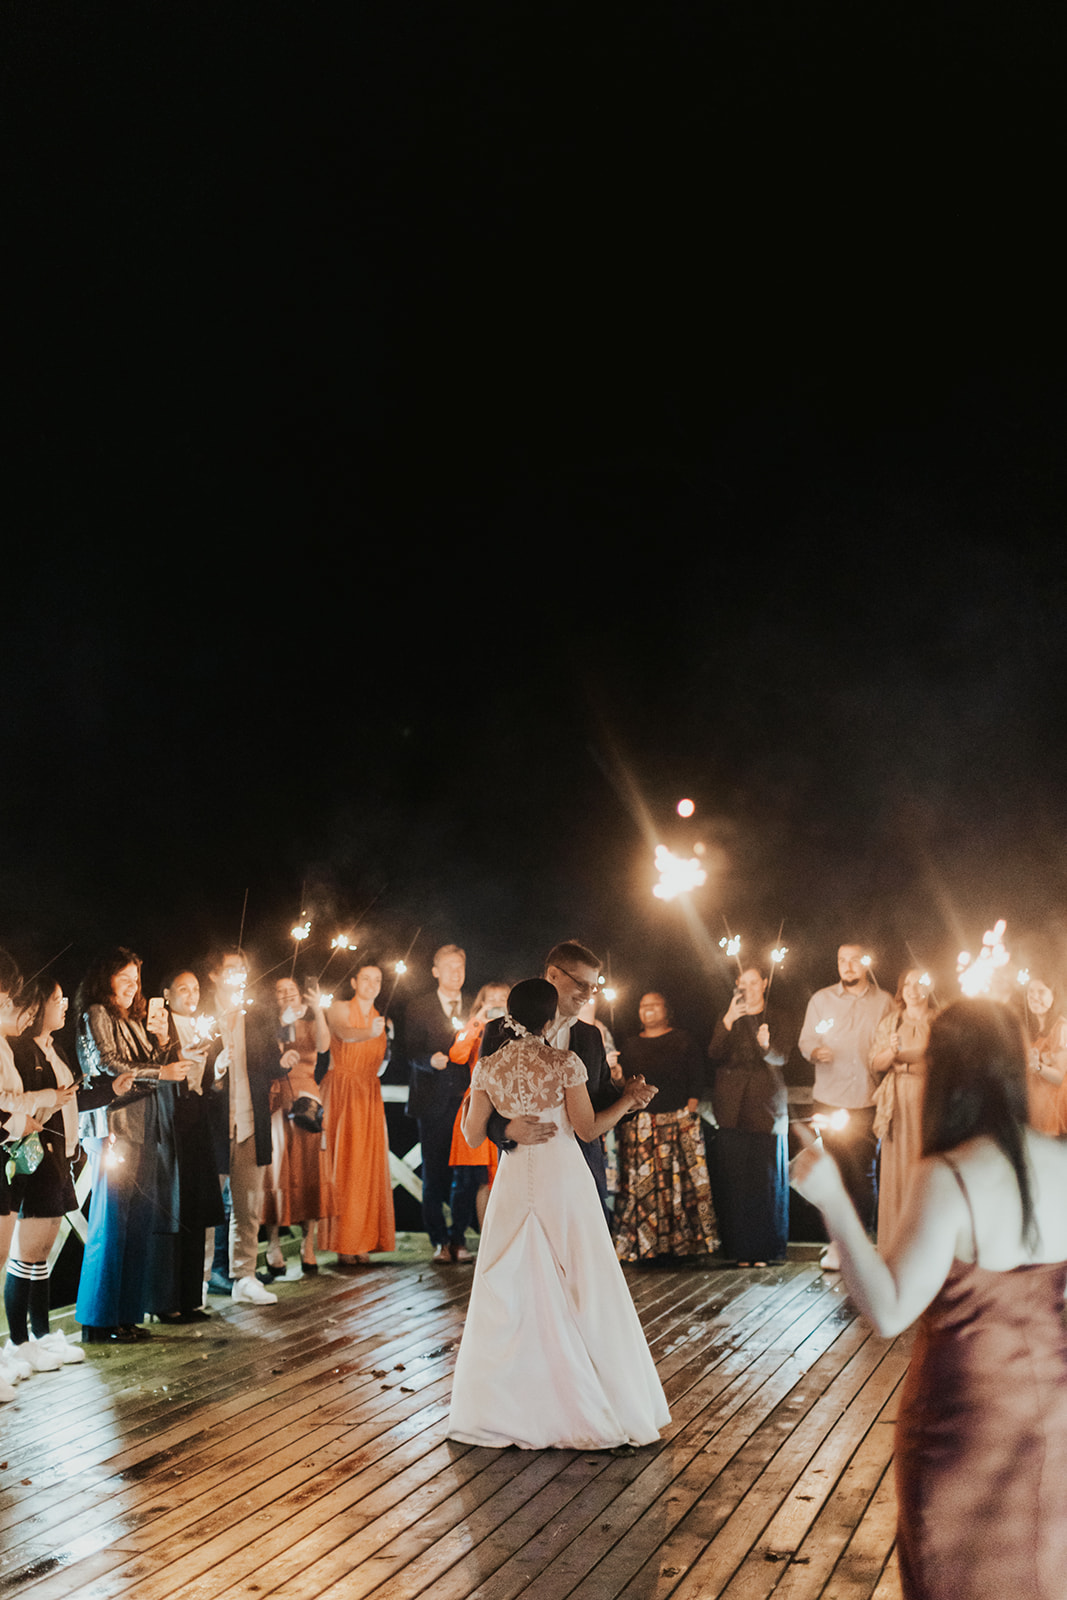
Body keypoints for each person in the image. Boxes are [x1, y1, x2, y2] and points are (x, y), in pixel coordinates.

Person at [791, 999, 1067, 1600]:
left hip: (961, 1425)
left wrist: (835, 1203)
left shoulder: (949, 1173)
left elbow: (889, 1311)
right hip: (1055, 1422)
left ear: (947, 1072)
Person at [448, 978, 670, 1450]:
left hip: (513, 1181)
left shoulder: (488, 1066)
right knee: (581, 1281)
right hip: (563, 1180)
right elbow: (588, 1130)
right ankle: (591, 1402)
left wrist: (505, 1124)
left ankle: (504, 1406)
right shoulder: (564, 1062)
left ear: (509, 1016)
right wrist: (629, 1101)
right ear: (549, 1019)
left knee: (508, 1282)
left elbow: (470, 1136)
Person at [481, 940, 656, 1219]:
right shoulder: (498, 1032)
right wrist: (506, 1130)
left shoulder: (591, 1036)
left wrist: (630, 1098)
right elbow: (480, 1106)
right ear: (552, 975)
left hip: (582, 1169)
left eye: (593, 986)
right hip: (524, 1170)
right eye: (581, 984)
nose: (588, 994)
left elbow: (599, 1102)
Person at [74, 948, 190, 1342]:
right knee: (110, 1222)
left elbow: (151, 1065)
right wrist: (161, 1071)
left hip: (144, 1126)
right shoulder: (96, 1014)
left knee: (137, 1222)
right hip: (112, 1124)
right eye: (123, 977)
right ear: (105, 978)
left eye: (136, 979)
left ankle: (126, 1315)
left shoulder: (135, 1018)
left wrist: (161, 1041)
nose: (131, 986)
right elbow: (107, 1064)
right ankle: (98, 1319)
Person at [5, 980, 113, 1372]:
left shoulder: (55, 1048)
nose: (64, 1005)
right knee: (26, 1254)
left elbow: (72, 1098)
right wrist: (53, 1100)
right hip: (36, 1160)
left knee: (42, 1255)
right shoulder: (21, 1049)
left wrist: (111, 1090)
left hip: (61, 1157)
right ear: (35, 1007)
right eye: (56, 1000)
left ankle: (41, 1333)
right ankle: (18, 1342)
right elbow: (31, 1107)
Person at [205, 948, 291, 1305]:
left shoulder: (255, 1013)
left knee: (248, 1205)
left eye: (242, 968)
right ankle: (201, 1280)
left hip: (250, 1120)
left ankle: (245, 1276)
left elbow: (270, 1062)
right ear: (214, 975)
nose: (238, 974)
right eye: (230, 969)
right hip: (213, 1123)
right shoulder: (204, 1013)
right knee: (209, 1207)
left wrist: (283, 1060)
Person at [798, 943, 890, 1269]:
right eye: (841, 960)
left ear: (865, 963)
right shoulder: (821, 1000)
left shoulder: (884, 1002)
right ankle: (837, 1245)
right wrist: (814, 1052)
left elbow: (890, 1043)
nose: (847, 966)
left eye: (854, 960)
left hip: (866, 1099)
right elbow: (806, 1040)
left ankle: (861, 1243)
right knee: (833, 1172)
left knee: (864, 1175)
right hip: (830, 1096)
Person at [143, 969, 226, 1322]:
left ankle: (192, 1296)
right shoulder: (160, 1025)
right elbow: (155, 1070)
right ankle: (165, 1301)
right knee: (172, 1205)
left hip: (197, 1118)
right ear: (167, 992)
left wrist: (216, 1070)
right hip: (170, 1120)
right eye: (183, 989)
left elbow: (204, 1082)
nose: (191, 995)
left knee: (195, 1206)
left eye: (195, 989)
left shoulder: (203, 1026)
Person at [613, 991, 717, 1263]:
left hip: (679, 1119)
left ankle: (683, 1245)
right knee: (644, 1184)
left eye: (654, 1004)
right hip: (644, 1123)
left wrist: (690, 1111)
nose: (647, 1009)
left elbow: (697, 1076)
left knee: (682, 1184)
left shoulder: (682, 1040)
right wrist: (617, 1075)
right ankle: (647, 1245)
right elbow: (627, 1082)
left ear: (666, 1009)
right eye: (642, 1005)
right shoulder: (631, 1044)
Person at [706, 966, 789, 1265]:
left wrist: (766, 1045)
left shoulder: (778, 1016)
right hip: (731, 1109)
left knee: (764, 1181)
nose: (749, 988)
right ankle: (740, 1251)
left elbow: (783, 1057)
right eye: (743, 983)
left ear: (764, 984)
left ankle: (767, 1250)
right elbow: (714, 1053)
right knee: (736, 1181)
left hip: (766, 1108)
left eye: (754, 982)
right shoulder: (729, 1016)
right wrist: (729, 1019)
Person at [322, 963, 394, 1264]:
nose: (371, 984)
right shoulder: (339, 1008)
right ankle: (342, 1243)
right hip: (342, 1091)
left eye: (377, 980)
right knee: (344, 1165)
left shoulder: (383, 1020)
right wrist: (371, 1031)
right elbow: (344, 1033)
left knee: (366, 1167)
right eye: (366, 978)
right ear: (354, 981)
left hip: (368, 1093)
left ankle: (363, 1240)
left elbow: (383, 1062)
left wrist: (385, 1038)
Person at [263, 975, 332, 1276]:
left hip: (307, 1095)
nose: (286, 995)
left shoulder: (310, 1019)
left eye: (290, 990)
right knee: (278, 1169)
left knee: (309, 1168)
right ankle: (274, 1244)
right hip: (278, 1094)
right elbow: (266, 1052)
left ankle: (308, 1244)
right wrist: (281, 1020)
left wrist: (318, 1011)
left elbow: (324, 1046)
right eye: (280, 992)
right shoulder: (270, 1023)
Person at [404, 944, 469, 1263]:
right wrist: (429, 1060)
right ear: (435, 971)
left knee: (467, 1174)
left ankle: (460, 1238)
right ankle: (439, 1241)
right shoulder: (418, 1007)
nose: (456, 972)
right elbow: (407, 1053)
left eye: (461, 966)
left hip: (467, 1101)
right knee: (433, 1174)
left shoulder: (474, 1006)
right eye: (449, 966)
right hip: (431, 1102)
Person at [869, 968, 938, 1247]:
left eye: (919, 983)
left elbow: (943, 1059)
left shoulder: (939, 1021)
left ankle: (926, 1242)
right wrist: (892, 1051)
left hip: (928, 1098)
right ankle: (894, 1245)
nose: (912, 988)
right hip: (897, 1102)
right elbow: (876, 1062)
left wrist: (907, 1062)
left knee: (924, 1166)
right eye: (907, 983)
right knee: (897, 1170)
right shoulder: (891, 1021)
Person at [446, 982, 509, 1243]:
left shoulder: (520, 1030)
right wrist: (476, 1022)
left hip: (509, 1106)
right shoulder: (476, 1029)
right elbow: (457, 1054)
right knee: (483, 1180)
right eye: (489, 1000)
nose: (495, 1005)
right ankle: (486, 1241)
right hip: (481, 1104)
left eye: (501, 1000)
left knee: (505, 1177)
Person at [1021, 974, 1067, 1134]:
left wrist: (1038, 1067)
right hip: (1038, 1107)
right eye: (1030, 992)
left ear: (1054, 996)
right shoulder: (1033, 1031)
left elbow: (1059, 1078)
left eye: (1041, 992)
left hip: (1055, 1109)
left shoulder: (1061, 1028)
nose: (1034, 997)